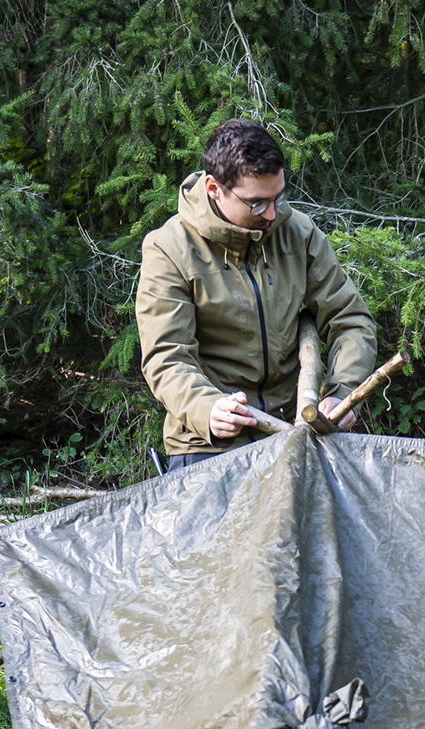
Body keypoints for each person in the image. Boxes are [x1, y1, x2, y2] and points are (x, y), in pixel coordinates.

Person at [137, 119, 377, 468]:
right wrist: (206, 409)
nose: (271, 213)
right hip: (208, 447)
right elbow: (167, 357)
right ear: (214, 188)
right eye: (256, 204)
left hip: (296, 438)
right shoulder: (169, 248)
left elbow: (350, 320)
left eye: (278, 198)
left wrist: (341, 393)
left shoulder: (298, 233)